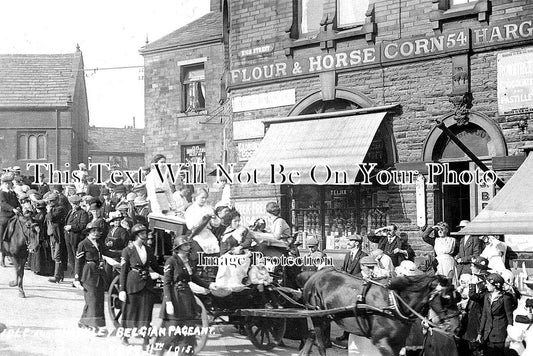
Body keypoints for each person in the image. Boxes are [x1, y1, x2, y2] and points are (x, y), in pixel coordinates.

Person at [158, 235, 215, 354]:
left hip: (187, 298)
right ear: (178, 248)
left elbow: (193, 278)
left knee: (188, 332)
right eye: (185, 245)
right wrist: (168, 302)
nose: (188, 246)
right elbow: (167, 283)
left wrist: (208, 285)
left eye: (188, 245)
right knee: (173, 332)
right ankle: (159, 351)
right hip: (175, 297)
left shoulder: (188, 261)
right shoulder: (171, 261)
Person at [118, 224, 164, 348]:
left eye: (145, 233)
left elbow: (155, 266)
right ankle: (125, 336)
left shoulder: (148, 249)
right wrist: (122, 289)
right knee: (130, 311)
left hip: (147, 283)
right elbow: (123, 270)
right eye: (142, 233)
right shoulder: (127, 250)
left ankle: (145, 340)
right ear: (136, 235)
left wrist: (167, 271)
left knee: (146, 312)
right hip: (132, 283)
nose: (145, 235)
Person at [73, 221, 114, 334]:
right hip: (88, 274)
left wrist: (124, 253)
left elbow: (108, 253)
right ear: (88, 233)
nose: (96, 233)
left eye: (97, 231)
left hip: (99, 273)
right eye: (93, 231)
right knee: (93, 299)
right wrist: (77, 278)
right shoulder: (83, 244)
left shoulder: (99, 243)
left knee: (97, 299)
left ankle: (84, 321)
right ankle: (97, 327)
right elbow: (78, 262)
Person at [185, 188, 220, 284]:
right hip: (196, 234)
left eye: (205, 198)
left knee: (215, 248)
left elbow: (216, 224)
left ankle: (212, 273)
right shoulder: (190, 209)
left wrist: (214, 217)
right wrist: (202, 219)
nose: (204, 200)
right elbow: (190, 226)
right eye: (202, 198)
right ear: (195, 197)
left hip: (207, 233)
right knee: (197, 252)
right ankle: (194, 274)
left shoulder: (208, 208)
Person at [476, 273, 515, 356]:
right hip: (487, 335)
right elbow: (484, 315)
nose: (486, 285)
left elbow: (509, 317)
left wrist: (509, 335)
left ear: (495, 285)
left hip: (499, 335)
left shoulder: (505, 298)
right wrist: (480, 333)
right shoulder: (487, 296)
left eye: (488, 283)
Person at [215, 210, 253, 289]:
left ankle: (236, 284)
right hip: (229, 254)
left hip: (242, 254)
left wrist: (240, 247)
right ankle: (222, 285)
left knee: (235, 265)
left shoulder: (243, 230)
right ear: (230, 221)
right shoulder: (226, 231)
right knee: (224, 264)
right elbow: (223, 246)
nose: (237, 223)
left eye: (239, 221)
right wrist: (222, 256)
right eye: (235, 221)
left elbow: (248, 240)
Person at [64, 195, 89, 280]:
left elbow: (83, 225)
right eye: (73, 204)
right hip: (69, 237)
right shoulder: (70, 211)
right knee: (71, 258)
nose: (74, 205)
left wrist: (71, 227)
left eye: (76, 204)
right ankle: (74, 274)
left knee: (77, 257)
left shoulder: (83, 213)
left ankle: (78, 276)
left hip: (76, 237)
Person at [46, 193, 68, 283]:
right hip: (52, 234)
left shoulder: (60, 208)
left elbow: (51, 218)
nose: (50, 203)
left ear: (57, 200)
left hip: (58, 235)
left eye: (52, 201)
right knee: (54, 255)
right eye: (49, 201)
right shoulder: (53, 208)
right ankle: (60, 275)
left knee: (57, 255)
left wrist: (49, 211)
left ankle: (57, 276)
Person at [0, 173, 20, 267]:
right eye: (8, 183)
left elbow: (17, 202)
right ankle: (2, 256)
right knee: (2, 230)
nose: (10, 184)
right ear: (5, 183)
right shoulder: (2, 192)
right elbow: (3, 204)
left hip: (14, 215)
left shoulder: (12, 192)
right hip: (5, 216)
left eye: (10, 183)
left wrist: (19, 207)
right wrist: (12, 209)